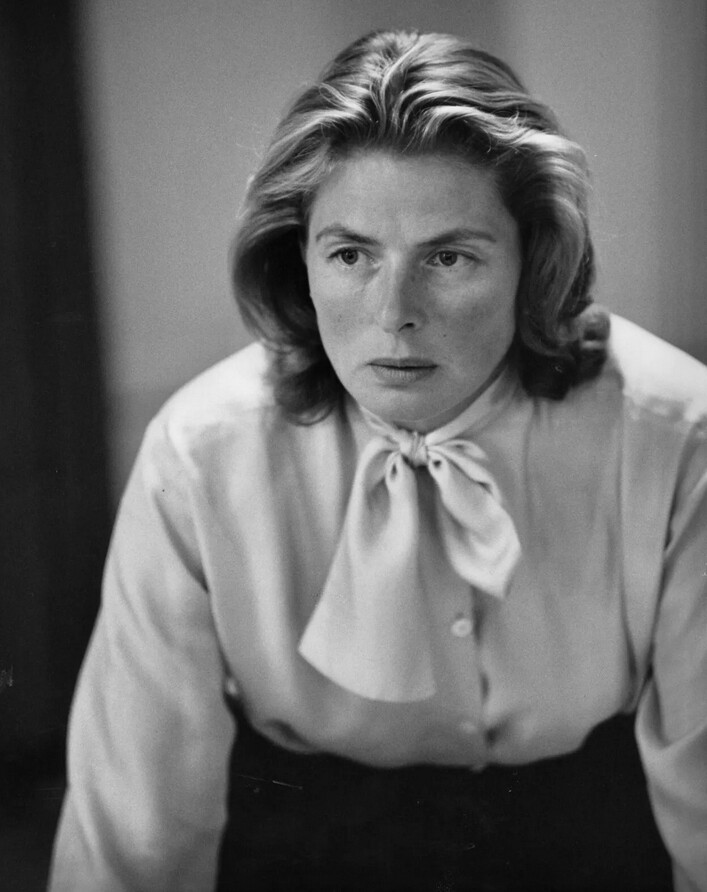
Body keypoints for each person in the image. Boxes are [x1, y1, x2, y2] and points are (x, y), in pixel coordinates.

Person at [49, 29, 707, 892]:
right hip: (298, 848)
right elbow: (134, 833)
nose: (394, 312)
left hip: (594, 842)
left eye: (448, 257)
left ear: (531, 261)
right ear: (299, 259)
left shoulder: (675, 434)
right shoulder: (200, 454)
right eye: (351, 254)